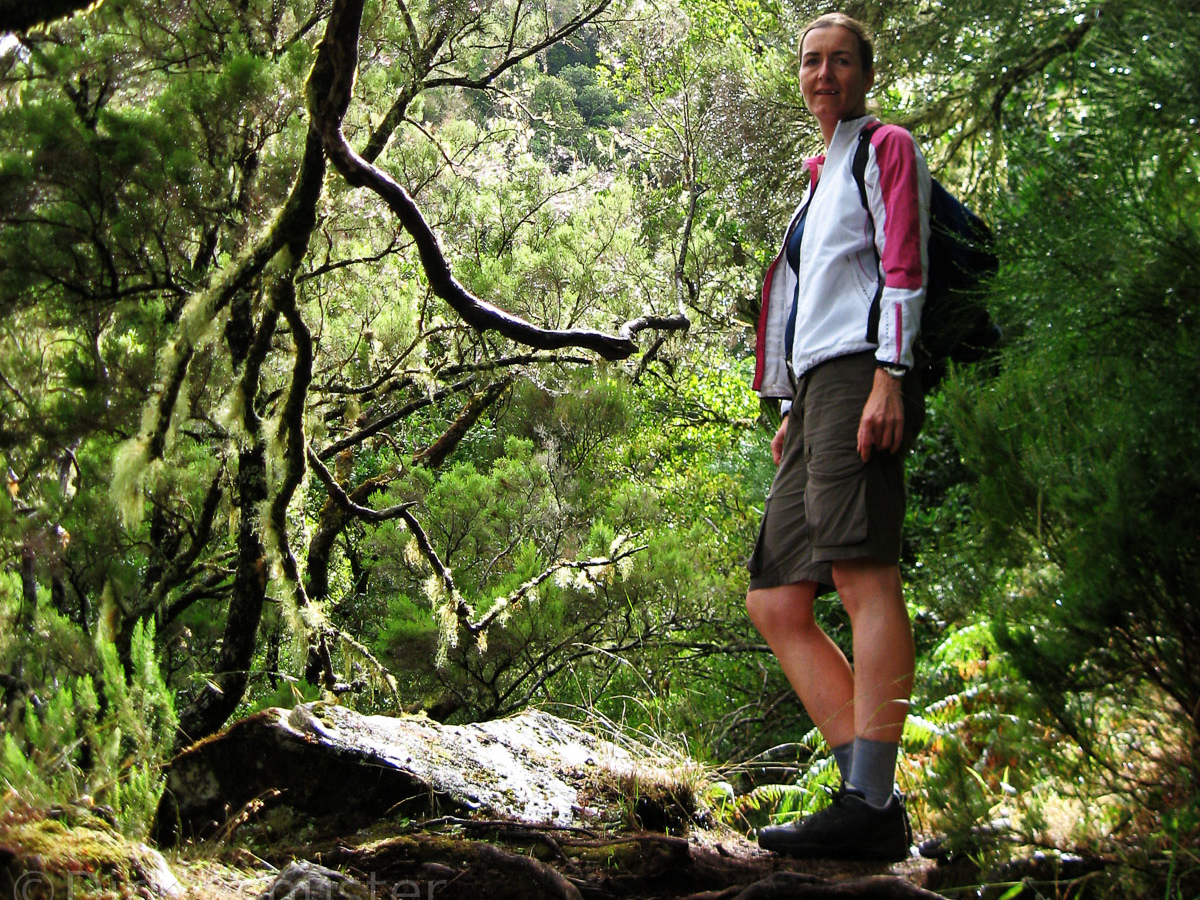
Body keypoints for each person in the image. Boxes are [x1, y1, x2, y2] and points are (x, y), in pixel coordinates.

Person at [745, 11, 930, 862]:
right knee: (777, 599)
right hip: (814, 389)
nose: (824, 73)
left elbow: (902, 262)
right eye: (812, 61)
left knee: (862, 575)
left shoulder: (886, 147)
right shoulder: (819, 176)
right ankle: (869, 799)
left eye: (841, 60)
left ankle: (870, 798)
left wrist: (891, 374)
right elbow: (803, 301)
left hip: (864, 370)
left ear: (864, 71)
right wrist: (788, 405)